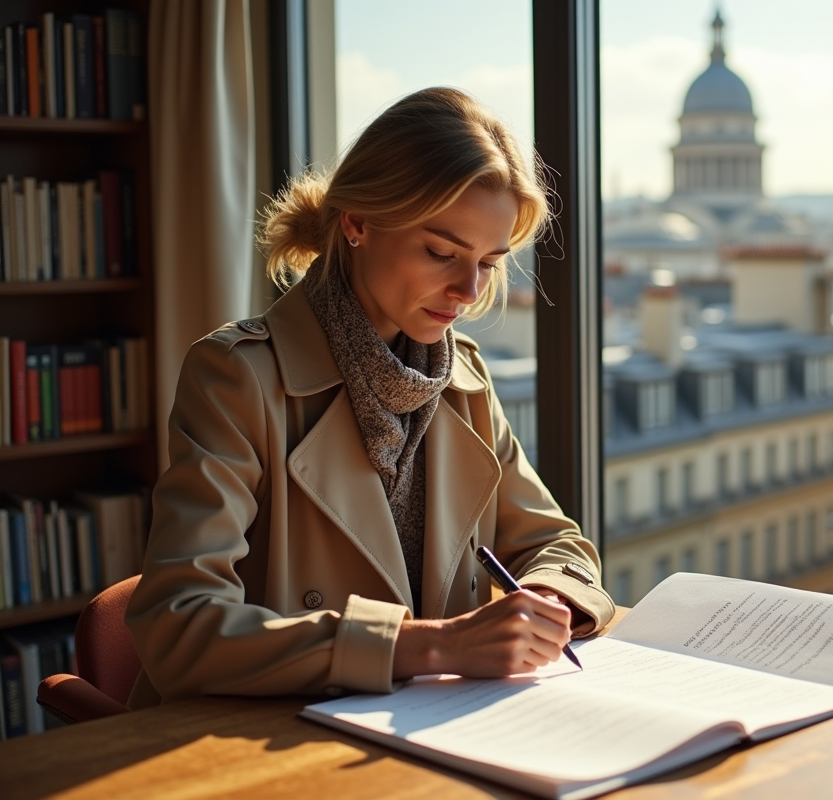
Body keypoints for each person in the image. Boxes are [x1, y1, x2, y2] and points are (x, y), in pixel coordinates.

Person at [124, 88, 614, 709]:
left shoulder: (462, 379)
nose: (468, 290)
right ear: (356, 222)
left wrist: (548, 599)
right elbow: (178, 626)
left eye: (490, 263)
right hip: (266, 744)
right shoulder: (236, 377)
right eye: (441, 252)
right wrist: (434, 645)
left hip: (431, 732)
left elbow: (556, 545)